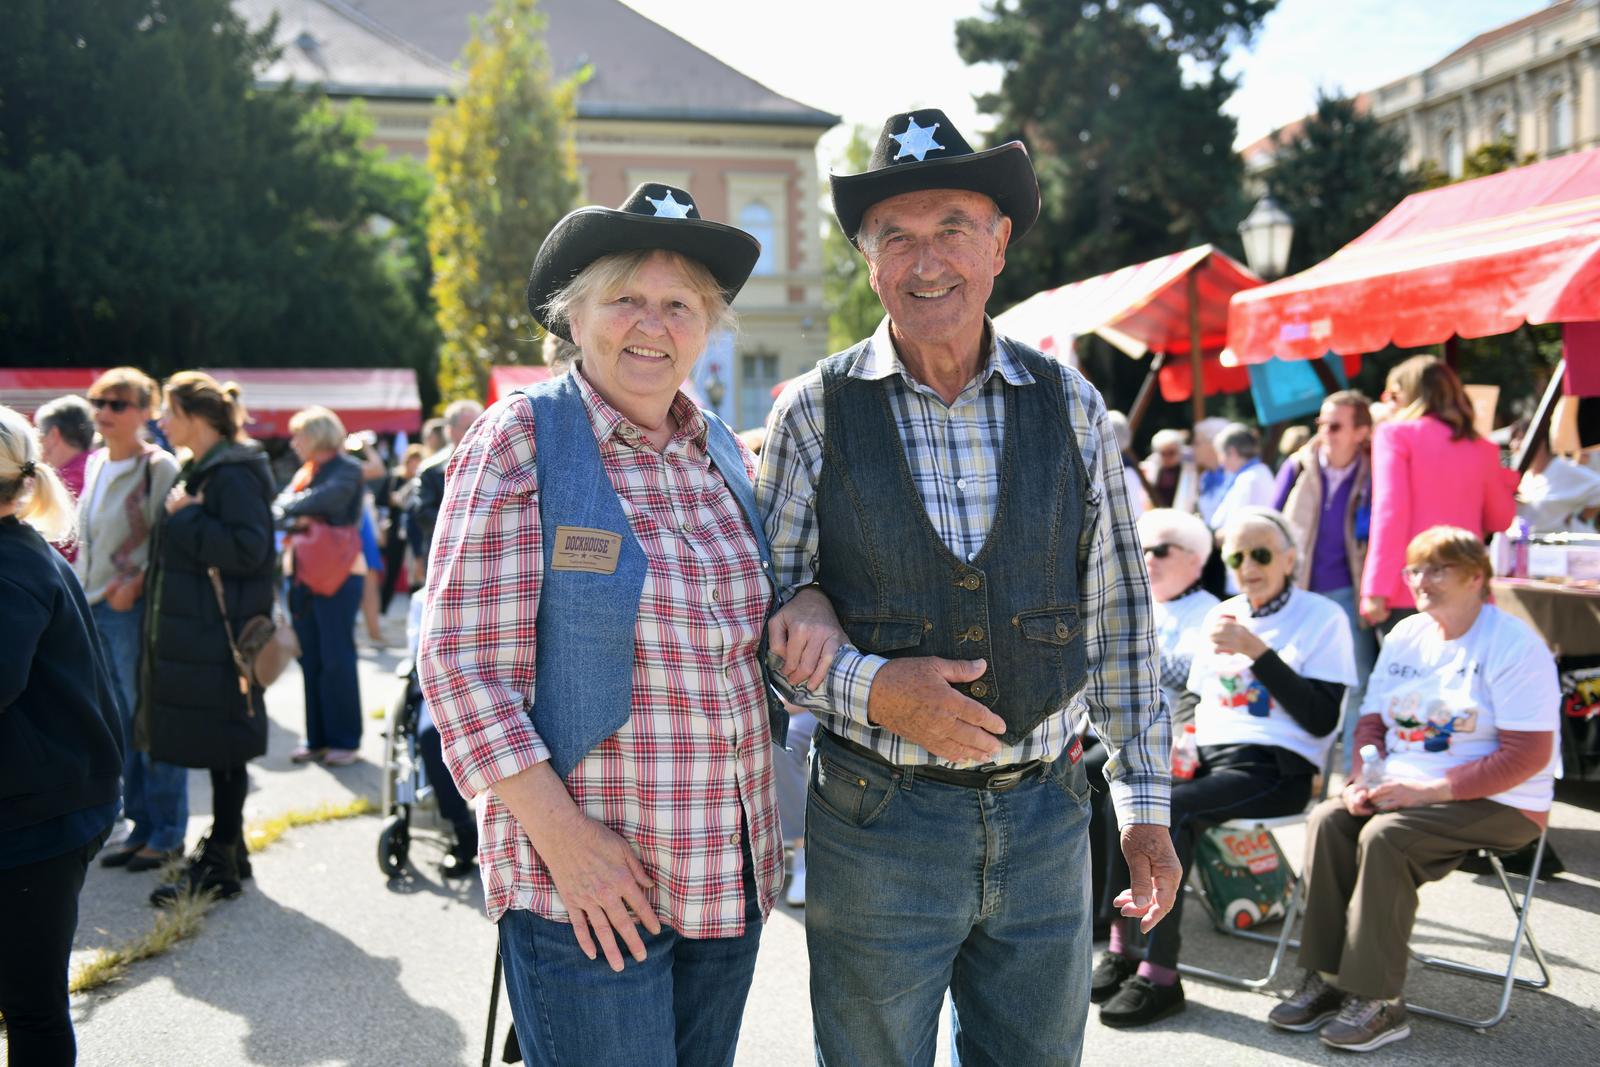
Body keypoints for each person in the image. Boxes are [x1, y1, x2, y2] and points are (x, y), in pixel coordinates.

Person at [756, 108, 1179, 1065]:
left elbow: (1119, 621)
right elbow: (764, 624)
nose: (925, 259)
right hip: (877, 822)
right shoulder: (815, 412)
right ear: (869, 263)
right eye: (895, 237)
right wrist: (873, 688)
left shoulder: (1069, 402)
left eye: (952, 227)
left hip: (1045, 815)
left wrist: (1144, 808)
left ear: (998, 247)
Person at [420, 183, 796, 1066]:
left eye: (679, 304)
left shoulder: (726, 457)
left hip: (724, 878)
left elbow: (753, 650)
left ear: (706, 326)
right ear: (574, 315)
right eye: (626, 297)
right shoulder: (521, 440)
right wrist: (568, 845)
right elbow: (461, 669)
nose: (651, 324)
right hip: (585, 889)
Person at [1268, 527, 1559, 1053]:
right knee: (1331, 819)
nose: (1420, 581)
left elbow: (1528, 756)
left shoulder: (1514, 644)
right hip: (1404, 788)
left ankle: (1380, 999)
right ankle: (1327, 978)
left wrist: (1429, 792)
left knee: (1386, 837)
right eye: (1413, 570)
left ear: (1477, 577)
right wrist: (1361, 778)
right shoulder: (1406, 636)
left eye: (1437, 569)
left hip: (1504, 801)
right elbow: (1372, 723)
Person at [1098, 507, 1354, 1026]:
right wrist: (1181, 741)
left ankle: (1161, 977)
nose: (1249, 565)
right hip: (1212, 759)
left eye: (1261, 554)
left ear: (1289, 557)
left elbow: (1322, 717)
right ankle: (1124, 944)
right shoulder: (1226, 612)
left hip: (1275, 768)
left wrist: (1259, 652)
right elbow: (1193, 696)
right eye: (1238, 556)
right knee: (1122, 798)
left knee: (1169, 813)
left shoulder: (1322, 616)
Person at [0, 405, 123, 1067]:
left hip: (40, 817)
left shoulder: (11, 567)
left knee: (31, 1006)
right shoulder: (18, 547)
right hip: (42, 801)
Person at [143, 373, 276, 906]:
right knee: (224, 750)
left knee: (227, 748)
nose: (161, 422)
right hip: (205, 634)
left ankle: (221, 859)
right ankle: (229, 849)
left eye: (169, 412)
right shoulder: (207, 466)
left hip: (221, 638)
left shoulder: (231, 474)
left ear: (197, 419)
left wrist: (189, 518)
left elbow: (251, 550)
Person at [71, 369, 187, 874]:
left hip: (130, 608)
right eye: (99, 401)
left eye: (119, 403)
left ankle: (167, 832)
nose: (105, 412)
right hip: (94, 604)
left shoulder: (159, 466)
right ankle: (140, 826)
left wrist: (135, 581)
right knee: (119, 722)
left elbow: (169, 541)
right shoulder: (96, 462)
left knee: (149, 721)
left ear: (145, 411)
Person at [1084, 508, 1218, 936]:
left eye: (1160, 550)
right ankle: (1089, 901)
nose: (1147, 559)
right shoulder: (1133, 605)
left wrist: (1127, 662)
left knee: (1100, 779)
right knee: (1074, 771)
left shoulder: (1211, 613)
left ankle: (1112, 916)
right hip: (1116, 726)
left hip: (1174, 735)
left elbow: (1198, 682)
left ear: (1195, 559)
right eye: (1141, 549)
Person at [1360, 356, 1517, 636]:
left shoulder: (1394, 435)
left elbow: (1390, 512)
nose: (1387, 402)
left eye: (1393, 394)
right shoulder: (1482, 446)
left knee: (1408, 678)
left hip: (1410, 589)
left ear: (1410, 395)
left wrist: (1376, 588)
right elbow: (1501, 518)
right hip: (1467, 590)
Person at [1272, 390, 1378, 771]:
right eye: (1321, 424)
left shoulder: (1375, 471)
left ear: (1361, 432)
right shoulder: (1298, 465)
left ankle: (1352, 772)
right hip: (1299, 589)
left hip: (1350, 588)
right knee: (1295, 678)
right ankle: (1303, 767)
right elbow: (1271, 522)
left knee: (1357, 681)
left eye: (1335, 426)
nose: (1324, 433)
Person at [274, 406, 367, 768]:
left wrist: (295, 509)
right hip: (303, 572)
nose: (293, 442)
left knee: (337, 657)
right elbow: (283, 505)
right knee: (309, 657)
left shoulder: (348, 468)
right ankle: (318, 739)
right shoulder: (307, 471)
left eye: (299, 434)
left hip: (340, 573)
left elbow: (318, 501)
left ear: (317, 435)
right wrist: (297, 508)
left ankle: (344, 740)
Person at [411, 399, 483, 567]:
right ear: (450, 430)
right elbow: (422, 514)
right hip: (445, 556)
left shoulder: (496, 464)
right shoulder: (430, 469)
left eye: (480, 425)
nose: (478, 432)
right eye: (469, 427)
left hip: (482, 556)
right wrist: (466, 525)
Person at [1510, 415, 1600, 534]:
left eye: (1521, 438)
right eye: (1513, 439)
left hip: (1563, 548)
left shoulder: (1562, 467)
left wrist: (1580, 518)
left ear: (1539, 441)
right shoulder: (1521, 475)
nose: (1514, 444)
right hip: (1526, 548)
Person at [34, 394, 95, 502]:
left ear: (54, 434)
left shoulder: (66, 483)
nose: (38, 441)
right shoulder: (97, 465)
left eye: (40, 433)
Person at [1140, 428, 1197, 512]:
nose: (1167, 457)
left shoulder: (1190, 470)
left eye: (1171, 453)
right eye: (1163, 453)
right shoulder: (1150, 469)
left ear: (1179, 451)